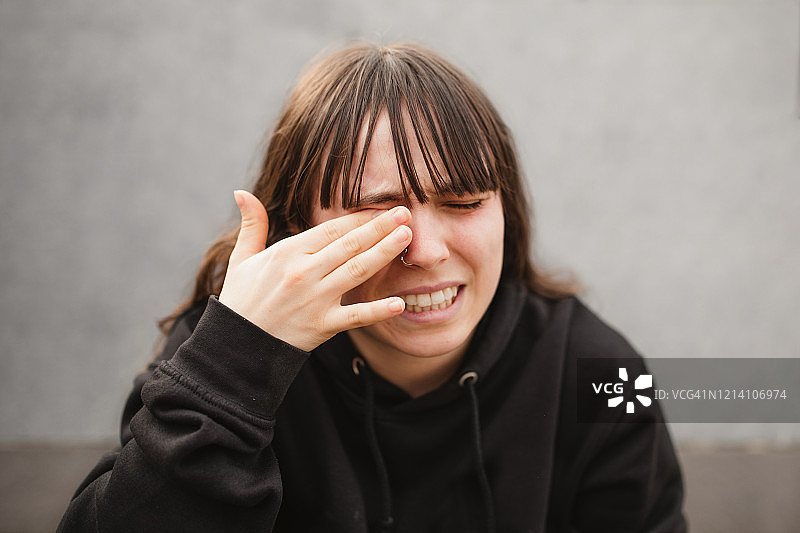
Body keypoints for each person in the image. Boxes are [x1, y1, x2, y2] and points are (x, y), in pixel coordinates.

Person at [58, 41, 686, 533]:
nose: (428, 251)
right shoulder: (221, 357)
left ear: (507, 213)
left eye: (463, 202)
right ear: (297, 229)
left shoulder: (603, 372)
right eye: (379, 214)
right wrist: (234, 370)